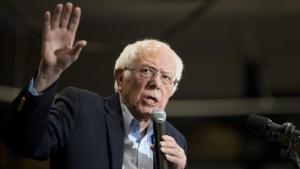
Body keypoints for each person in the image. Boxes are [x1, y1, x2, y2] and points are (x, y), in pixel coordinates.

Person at [3, 2, 187, 169]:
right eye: (147, 71)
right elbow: (24, 143)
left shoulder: (176, 140)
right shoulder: (81, 109)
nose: (156, 83)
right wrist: (46, 74)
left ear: (171, 90)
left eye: (166, 78)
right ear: (121, 78)